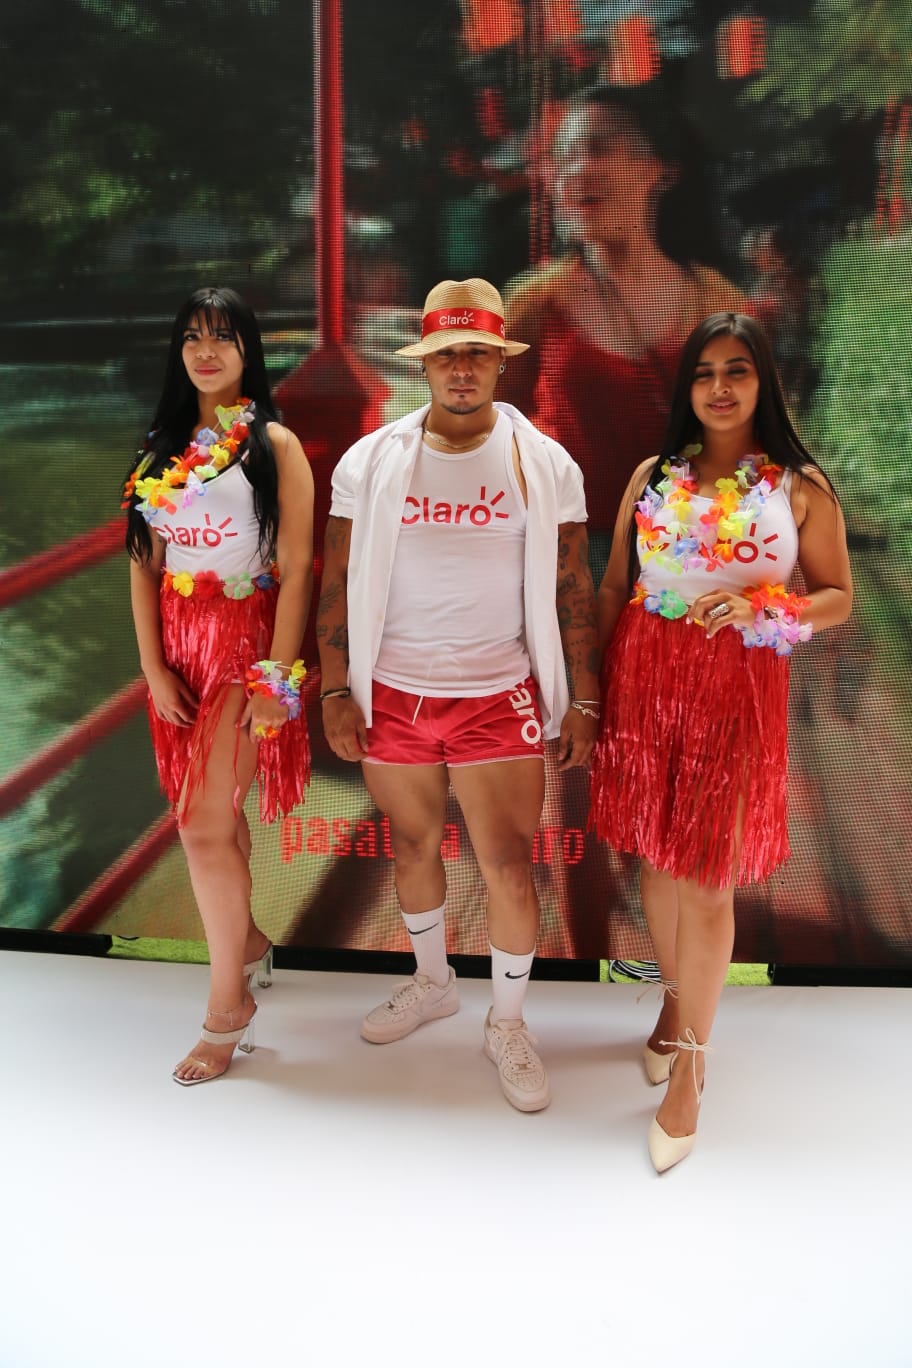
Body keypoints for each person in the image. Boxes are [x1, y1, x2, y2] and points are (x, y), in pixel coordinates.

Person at [316, 277, 599, 1112]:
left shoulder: (545, 463)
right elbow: (335, 577)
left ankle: (506, 1024)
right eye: (448, 354)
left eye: (478, 352)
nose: (463, 368)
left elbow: (573, 585)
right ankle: (434, 982)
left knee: (508, 866)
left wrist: (582, 700)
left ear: (502, 362)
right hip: (392, 692)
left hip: (496, 692)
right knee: (412, 846)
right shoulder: (370, 461)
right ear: (426, 364)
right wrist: (334, 688)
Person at [589, 312, 852, 1171]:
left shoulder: (798, 486)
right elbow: (615, 587)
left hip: (736, 693)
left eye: (737, 370)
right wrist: (590, 695)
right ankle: (674, 1003)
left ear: (762, 381)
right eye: (703, 373)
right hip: (645, 683)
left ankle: (691, 1070)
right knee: (657, 863)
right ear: (687, 389)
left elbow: (837, 597)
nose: (719, 387)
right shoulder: (652, 477)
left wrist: (765, 607)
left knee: (706, 877)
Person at [123, 286, 314, 1084]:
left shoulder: (275, 445)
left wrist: (278, 680)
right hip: (179, 652)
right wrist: (152, 667)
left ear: (247, 351)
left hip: (244, 648)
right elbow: (144, 564)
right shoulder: (160, 451)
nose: (206, 352)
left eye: (223, 337)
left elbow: (297, 567)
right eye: (193, 338)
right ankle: (252, 942)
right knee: (215, 817)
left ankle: (226, 1008)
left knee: (201, 827)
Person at [500, 86, 750, 579]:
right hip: (564, 560)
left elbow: (752, 442)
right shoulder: (534, 304)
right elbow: (489, 431)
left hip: (688, 557)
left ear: (663, 170)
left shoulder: (717, 305)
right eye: (565, 158)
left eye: (600, 148)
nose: (578, 171)